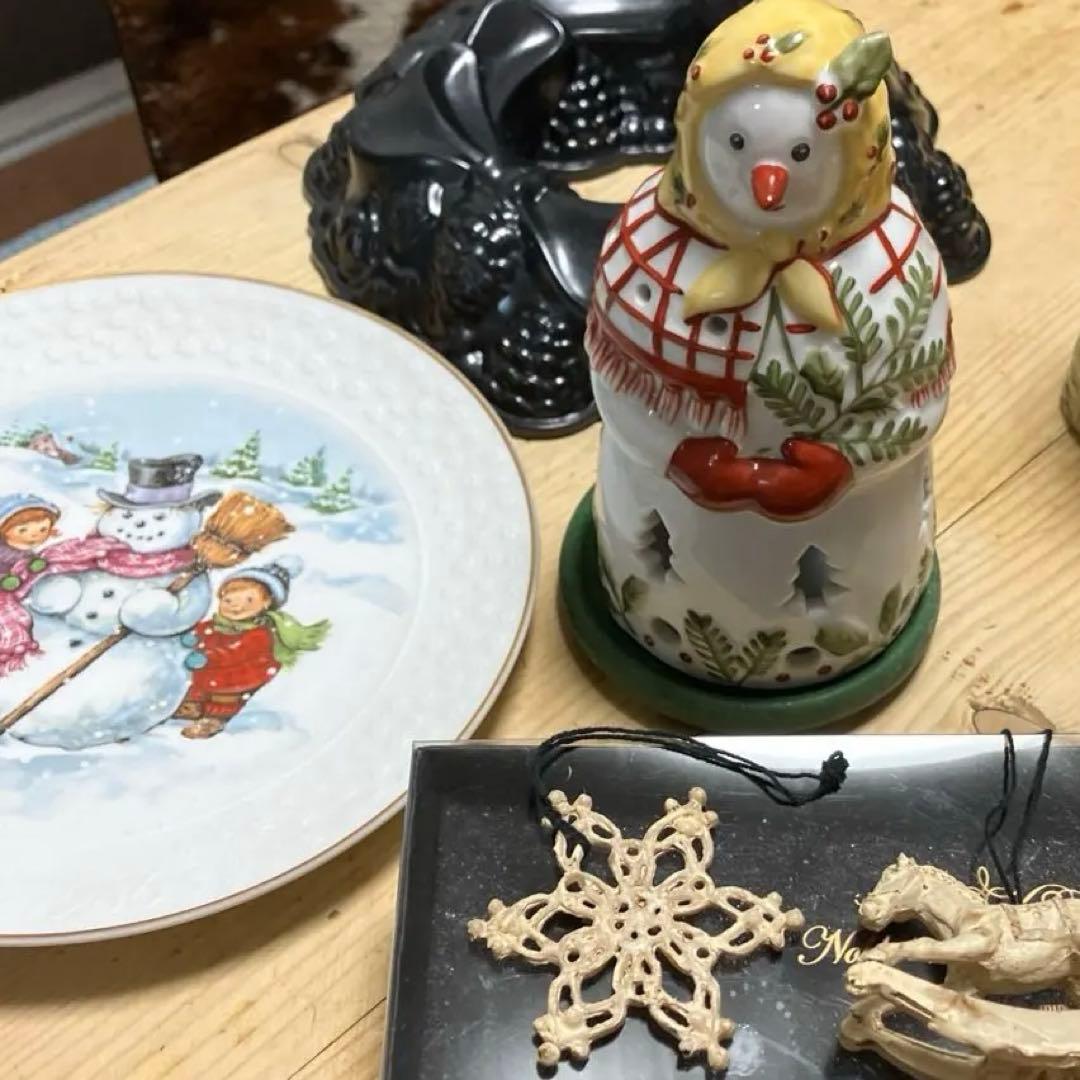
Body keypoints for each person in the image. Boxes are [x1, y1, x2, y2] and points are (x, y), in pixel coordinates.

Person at [173, 558, 329, 739]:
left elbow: (236, 651)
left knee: (224, 697)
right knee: (194, 684)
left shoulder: (259, 633)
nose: (236, 606)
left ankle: (214, 720)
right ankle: (192, 705)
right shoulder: (217, 624)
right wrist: (190, 638)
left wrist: (208, 656)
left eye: (248, 600)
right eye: (228, 600)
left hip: (239, 674)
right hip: (211, 668)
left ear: (266, 603)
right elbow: (202, 631)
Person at [0, 495, 60, 587]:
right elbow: (8, 556)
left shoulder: (23, 544)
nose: (34, 536)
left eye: (43, 529)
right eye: (22, 530)